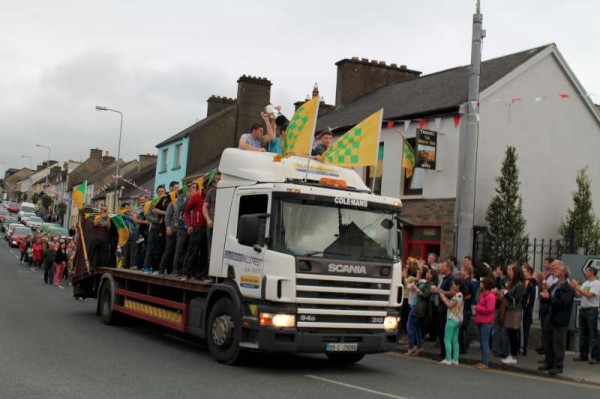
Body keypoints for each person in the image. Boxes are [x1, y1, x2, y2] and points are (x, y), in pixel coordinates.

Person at [538, 260, 575, 375]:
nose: (554, 270)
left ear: (564, 272)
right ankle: (549, 362)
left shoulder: (568, 289)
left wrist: (549, 298)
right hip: (550, 315)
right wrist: (544, 297)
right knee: (548, 340)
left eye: (557, 269)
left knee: (558, 343)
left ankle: (558, 365)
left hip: (560, 318)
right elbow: (547, 297)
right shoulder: (554, 285)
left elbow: (563, 303)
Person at [570, 264, 600, 364]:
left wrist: (577, 287)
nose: (585, 273)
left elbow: (589, 295)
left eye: (587, 271)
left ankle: (595, 357)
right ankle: (583, 355)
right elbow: (579, 295)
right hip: (583, 309)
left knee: (593, 334)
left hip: (592, 310)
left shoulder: (596, 283)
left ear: (592, 272)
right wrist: (575, 288)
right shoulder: (586, 283)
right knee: (583, 334)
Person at [181, 181, 208, 281]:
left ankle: (201, 274)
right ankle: (185, 273)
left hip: (208, 227)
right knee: (192, 250)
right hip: (197, 226)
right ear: (204, 187)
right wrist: (189, 225)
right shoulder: (196, 196)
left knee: (204, 252)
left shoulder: (212, 196)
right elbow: (186, 210)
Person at [500, 264, 525, 365]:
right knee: (510, 333)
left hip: (515, 312)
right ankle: (511, 354)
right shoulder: (513, 283)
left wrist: (506, 293)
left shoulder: (519, 285)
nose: (509, 274)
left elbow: (516, 299)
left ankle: (514, 355)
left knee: (514, 333)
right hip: (509, 310)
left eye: (511, 271)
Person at [431, 261, 454, 358]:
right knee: (441, 331)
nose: (441, 268)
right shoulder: (445, 278)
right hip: (441, 306)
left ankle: (445, 354)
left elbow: (453, 292)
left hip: (446, 307)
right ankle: (443, 353)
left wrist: (439, 291)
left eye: (443, 266)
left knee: (444, 331)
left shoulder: (451, 278)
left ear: (448, 267)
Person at [439, 279, 465, 365]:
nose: (452, 286)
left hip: (452, 319)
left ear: (458, 286)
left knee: (447, 339)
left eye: (454, 284)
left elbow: (450, 305)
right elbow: (451, 303)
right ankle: (455, 359)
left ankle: (448, 359)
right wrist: (445, 297)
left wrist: (443, 298)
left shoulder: (457, 295)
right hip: (458, 320)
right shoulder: (460, 295)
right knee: (455, 339)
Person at [143, 185, 167, 274]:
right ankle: (146, 266)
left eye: (162, 191)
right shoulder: (153, 201)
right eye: (159, 191)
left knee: (160, 248)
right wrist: (157, 220)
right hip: (154, 227)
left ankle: (158, 268)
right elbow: (147, 215)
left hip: (164, 227)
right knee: (151, 247)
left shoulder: (166, 200)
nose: (160, 193)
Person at [474, 276, 497, 370]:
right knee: (482, 342)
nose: (480, 284)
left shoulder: (491, 296)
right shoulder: (483, 294)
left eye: (482, 283)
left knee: (485, 342)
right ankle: (483, 361)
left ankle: (485, 363)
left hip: (486, 322)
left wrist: (477, 308)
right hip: (480, 320)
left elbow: (490, 309)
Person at [172, 182, 194, 276]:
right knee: (180, 249)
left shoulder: (196, 196)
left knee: (189, 249)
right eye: (192, 187)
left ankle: (185, 270)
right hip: (182, 226)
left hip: (192, 226)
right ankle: (176, 270)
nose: (193, 189)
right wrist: (189, 198)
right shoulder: (181, 197)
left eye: (195, 188)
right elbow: (180, 208)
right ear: (188, 189)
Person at [536, 257, 556, 354]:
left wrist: (543, 279)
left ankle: (547, 348)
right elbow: (542, 288)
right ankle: (544, 345)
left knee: (548, 326)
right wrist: (540, 281)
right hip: (544, 301)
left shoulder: (553, 278)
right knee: (543, 325)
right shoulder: (549, 276)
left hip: (550, 303)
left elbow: (551, 289)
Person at [459, 262, 478, 354]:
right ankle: (463, 347)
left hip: (465, 307)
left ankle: (462, 348)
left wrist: (459, 298)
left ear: (466, 271)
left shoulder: (466, 282)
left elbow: (467, 295)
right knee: (465, 328)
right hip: (468, 307)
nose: (460, 271)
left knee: (463, 328)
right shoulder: (470, 282)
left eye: (462, 270)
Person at [88, 204, 111, 270]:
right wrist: (102, 217)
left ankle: (98, 268)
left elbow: (108, 226)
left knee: (100, 256)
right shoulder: (96, 216)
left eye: (106, 210)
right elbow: (95, 223)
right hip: (96, 238)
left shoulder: (107, 217)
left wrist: (107, 219)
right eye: (104, 210)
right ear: (101, 210)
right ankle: (89, 266)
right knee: (91, 253)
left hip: (103, 239)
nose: (105, 211)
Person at [202, 172, 221, 254]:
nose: (217, 181)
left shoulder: (229, 190)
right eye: (216, 179)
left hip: (223, 224)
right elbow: (204, 207)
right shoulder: (211, 192)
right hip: (212, 223)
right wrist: (208, 219)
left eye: (219, 179)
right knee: (211, 249)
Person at [521, 264, 538, 356]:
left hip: (527, 309)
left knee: (526, 328)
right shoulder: (525, 282)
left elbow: (532, 297)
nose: (522, 273)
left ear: (529, 272)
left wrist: (526, 305)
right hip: (525, 308)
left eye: (523, 271)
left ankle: (524, 348)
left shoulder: (531, 283)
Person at [133, 195, 150, 270]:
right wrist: (144, 222)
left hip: (148, 230)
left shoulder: (149, 208)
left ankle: (144, 265)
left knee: (147, 247)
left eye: (144, 199)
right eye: (141, 200)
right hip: (139, 230)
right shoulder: (137, 209)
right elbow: (134, 220)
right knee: (139, 247)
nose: (143, 201)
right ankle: (137, 264)